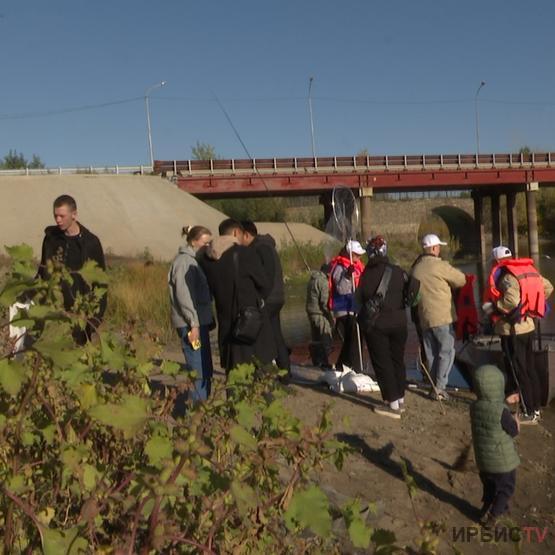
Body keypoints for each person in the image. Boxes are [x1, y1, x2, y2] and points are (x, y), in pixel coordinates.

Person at [482, 246, 553, 423]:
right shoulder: (528, 270)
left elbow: (511, 300)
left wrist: (494, 307)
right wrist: (530, 306)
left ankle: (529, 412)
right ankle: (535, 407)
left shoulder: (506, 276)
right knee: (530, 368)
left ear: (496, 261)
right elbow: (548, 287)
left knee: (519, 369)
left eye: (492, 261)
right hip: (528, 326)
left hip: (512, 330)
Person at [198, 219, 276, 372]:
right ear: (235, 232)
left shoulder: (205, 259)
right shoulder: (245, 253)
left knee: (235, 376)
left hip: (227, 326)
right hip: (250, 323)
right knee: (262, 375)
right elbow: (264, 284)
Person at [357, 236, 420, 419]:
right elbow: (412, 289)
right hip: (400, 322)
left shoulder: (366, 275)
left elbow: (359, 300)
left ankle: (392, 404)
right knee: (397, 360)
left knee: (382, 362)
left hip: (378, 325)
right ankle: (400, 398)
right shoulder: (397, 270)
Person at [38, 194, 106, 345]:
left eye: (62, 216)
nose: (58, 220)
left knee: (78, 359)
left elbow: (101, 282)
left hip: (80, 313)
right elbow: (42, 270)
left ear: (74, 214)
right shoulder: (51, 239)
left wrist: (95, 317)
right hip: (54, 311)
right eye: (55, 216)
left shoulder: (91, 243)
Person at [411, 233, 466, 400]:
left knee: (432, 354)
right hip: (442, 317)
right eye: (438, 246)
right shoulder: (439, 266)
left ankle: (434, 386)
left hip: (424, 318)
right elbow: (461, 280)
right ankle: (440, 389)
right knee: (447, 352)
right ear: (434, 248)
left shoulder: (416, 268)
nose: (440, 249)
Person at [168, 225, 215, 401]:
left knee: (205, 367)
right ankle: (197, 413)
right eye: (205, 242)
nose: (208, 246)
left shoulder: (195, 260)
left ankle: (203, 408)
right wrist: (193, 324)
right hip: (191, 325)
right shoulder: (183, 262)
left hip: (199, 322)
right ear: (194, 241)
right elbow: (184, 296)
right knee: (197, 370)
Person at [470, 364, 520, 526]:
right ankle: (493, 516)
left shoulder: (475, 407)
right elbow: (513, 431)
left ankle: (485, 508)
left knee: (490, 488)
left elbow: (491, 408)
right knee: (506, 489)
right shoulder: (501, 411)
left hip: (484, 462)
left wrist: (506, 401)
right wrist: (517, 422)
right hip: (502, 462)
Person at [241, 220, 291, 375]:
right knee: (276, 336)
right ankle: (285, 374)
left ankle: (266, 373)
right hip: (276, 298)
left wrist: (260, 297)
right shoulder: (266, 246)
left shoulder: (260, 248)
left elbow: (266, 276)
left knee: (262, 339)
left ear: (246, 234)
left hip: (268, 300)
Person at [329, 240, 365, 373]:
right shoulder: (339, 268)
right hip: (344, 309)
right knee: (352, 338)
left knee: (353, 338)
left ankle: (343, 365)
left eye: (359, 255)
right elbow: (341, 289)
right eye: (356, 255)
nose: (359, 257)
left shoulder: (358, 266)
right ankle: (349, 366)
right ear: (349, 254)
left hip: (355, 308)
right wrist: (348, 276)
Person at [306, 263, 334, 369]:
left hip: (311, 313)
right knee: (325, 340)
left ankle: (317, 362)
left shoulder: (312, 279)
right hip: (320, 314)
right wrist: (331, 318)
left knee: (316, 340)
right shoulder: (323, 282)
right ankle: (325, 364)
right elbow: (324, 303)